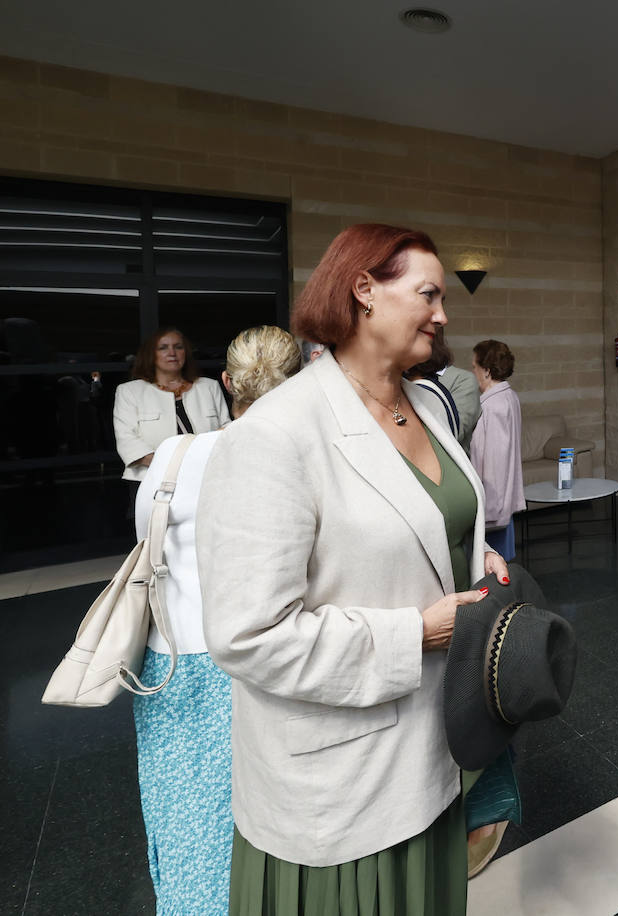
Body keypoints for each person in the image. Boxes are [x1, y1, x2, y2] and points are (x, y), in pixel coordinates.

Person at [198, 223, 509, 915]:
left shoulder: (428, 403)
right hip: (345, 780)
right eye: (428, 293)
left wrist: (474, 555)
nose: (443, 314)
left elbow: (435, 521)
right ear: (363, 290)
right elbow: (246, 633)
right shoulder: (275, 435)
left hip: (436, 748)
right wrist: (416, 634)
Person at [132, 325, 301, 915]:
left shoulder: (175, 457)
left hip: (172, 660)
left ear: (226, 383)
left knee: (182, 816)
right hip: (258, 662)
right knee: (265, 817)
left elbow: (147, 553)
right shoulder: (297, 462)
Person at [113, 328, 231, 486]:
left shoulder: (209, 386)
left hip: (205, 477)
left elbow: (226, 429)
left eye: (178, 347)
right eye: (163, 348)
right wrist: (171, 466)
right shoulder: (130, 391)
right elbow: (127, 439)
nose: (172, 353)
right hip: (151, 479)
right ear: (151, 354)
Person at [469, 339, 524, 561]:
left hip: (493, 502)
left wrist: (487, 507)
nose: (472, 372)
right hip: (503, 501)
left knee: (494, 564)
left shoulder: (491, 406)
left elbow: (493, 462)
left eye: (474, 367)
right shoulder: (509, 397)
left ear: (487, 371)